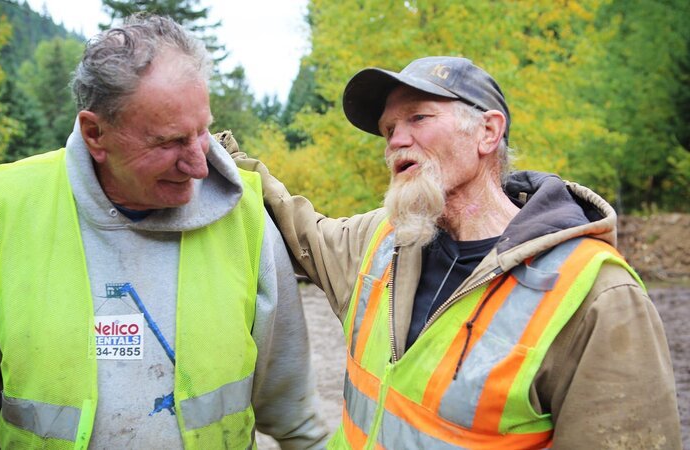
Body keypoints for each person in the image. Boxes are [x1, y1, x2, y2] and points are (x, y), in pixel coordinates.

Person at [0, 13, 328, 449]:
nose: (199, 165)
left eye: (201, 131)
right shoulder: (8, 209)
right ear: (95, 133)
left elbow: (294, 410)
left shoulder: (245, 216)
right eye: (168, 143)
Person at [224, 56, 682, 449]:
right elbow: (299, 226)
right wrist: (211, 152)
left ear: (487, 132)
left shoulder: (599, 295)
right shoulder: (383, 240)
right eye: (388, 130)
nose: (395, 142)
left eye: (418, 119)